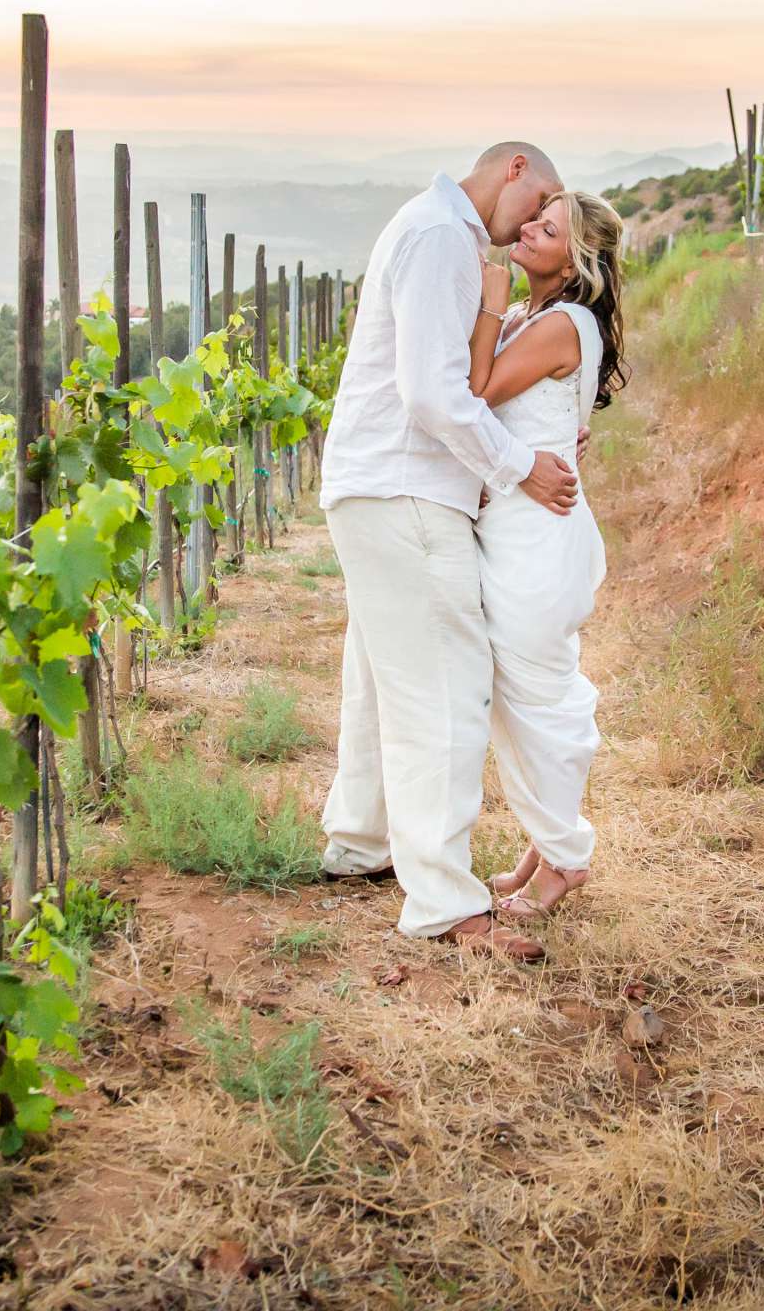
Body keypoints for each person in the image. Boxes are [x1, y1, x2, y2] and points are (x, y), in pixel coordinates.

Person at [316, 142, 580, 962]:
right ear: (511, 169)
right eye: (536, 203)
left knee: (381, 672)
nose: (530, 225)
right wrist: (519, 467)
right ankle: (443, 902)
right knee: (443, 684)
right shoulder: (440, 236)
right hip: (406, 487)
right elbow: (432, 391)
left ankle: (360, 840)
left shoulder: (436, 230)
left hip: (375, 482)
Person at [466, 190, 627, 921]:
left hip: (535, 537)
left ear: (576, 259)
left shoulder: (557, 322)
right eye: (534, 218)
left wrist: (489, 303)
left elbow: (475, 392)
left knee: (535, 697)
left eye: (548, 228)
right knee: (523, 692)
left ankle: (564, 859)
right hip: (523, 528)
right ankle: (543, 842)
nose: (528, 228)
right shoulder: (549, 319)